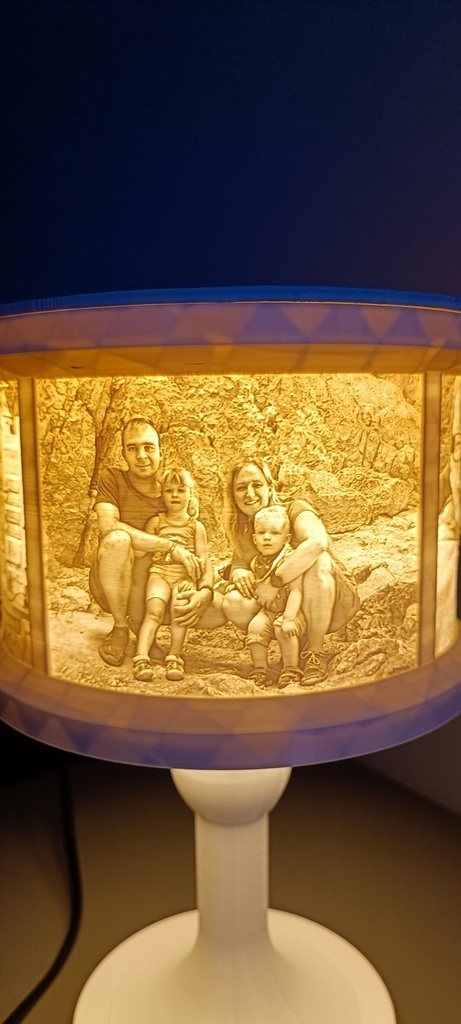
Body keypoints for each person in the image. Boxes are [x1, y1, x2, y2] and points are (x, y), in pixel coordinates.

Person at [221, 458, 359, 687]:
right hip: (285, 608)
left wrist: (275, 582)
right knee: (233, 601)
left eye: (257, 484)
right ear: (233, 495)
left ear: (270, 487)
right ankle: (285, 653)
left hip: (333, 599)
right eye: (241, 487)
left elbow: (317, 542)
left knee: (317, 559)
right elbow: (239, 562)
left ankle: (314, 652)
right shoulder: (249, 529)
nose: (249, 493)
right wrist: (238, 572)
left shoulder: (295, 509)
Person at [89, 417, 213, 667]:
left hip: (158, 584)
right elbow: (108, 525)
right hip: (112, 582)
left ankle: (145, 630)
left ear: (160, 451)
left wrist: (206, 590)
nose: (141, 456)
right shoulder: (113, 478)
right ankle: (121, 627)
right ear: (123, 453)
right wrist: (170, 547)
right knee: (118, 539)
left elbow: (200, 548)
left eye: (148, 447)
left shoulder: (172, 494)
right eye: (132, 448)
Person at [132, 468, 211, 683]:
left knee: (179, 611)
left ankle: (175, 657)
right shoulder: (156, 522)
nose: (175, 495)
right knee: (154, 611)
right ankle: (141, 658)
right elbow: (142, 550)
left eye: (181, 490)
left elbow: (203, 557)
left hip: (183, 577)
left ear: (191, 493)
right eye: (169, 490)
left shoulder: (196, 526)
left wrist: (193, 581)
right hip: (159, 573)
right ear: (162, 494)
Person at [243, 505, 306, 689]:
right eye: (261, 533)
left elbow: (296, 591)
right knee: (255, 627)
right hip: (269, 609)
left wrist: (289, 618)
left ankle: (290, 669)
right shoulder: (256, 562)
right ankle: (260, 669)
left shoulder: (290, 560)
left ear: (286, 539)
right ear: (254, 539)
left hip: (293, 609)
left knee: (282, 628)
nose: (267, 537)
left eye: (275, 533)